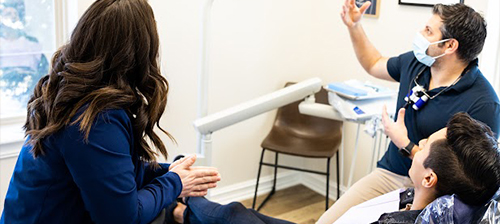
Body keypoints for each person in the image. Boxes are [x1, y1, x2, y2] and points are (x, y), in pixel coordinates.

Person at [1, 0, 221, 224]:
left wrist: (167, 172)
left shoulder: (69, 95)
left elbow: (108, 172)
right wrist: (175, 183)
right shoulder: (94, 119)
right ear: (137, 51)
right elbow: (123, 218)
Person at [316, 0, 500, 223]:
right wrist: (354, 26)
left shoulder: (483, 103)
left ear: (450, 45)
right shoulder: (418, 63)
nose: (420, 34)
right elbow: (374, 63)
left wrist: (406, 145)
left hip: (435, 195)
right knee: (329, 221)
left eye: (428, 31)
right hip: (390, 174)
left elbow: (474, 178)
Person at [151, 112, 500, 224]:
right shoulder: (416, 198)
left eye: (423, 145)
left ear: (429, 177)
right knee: (240, 214)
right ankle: (178, 206)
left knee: (236, 217)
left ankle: (176, 204)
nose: (416, 144)